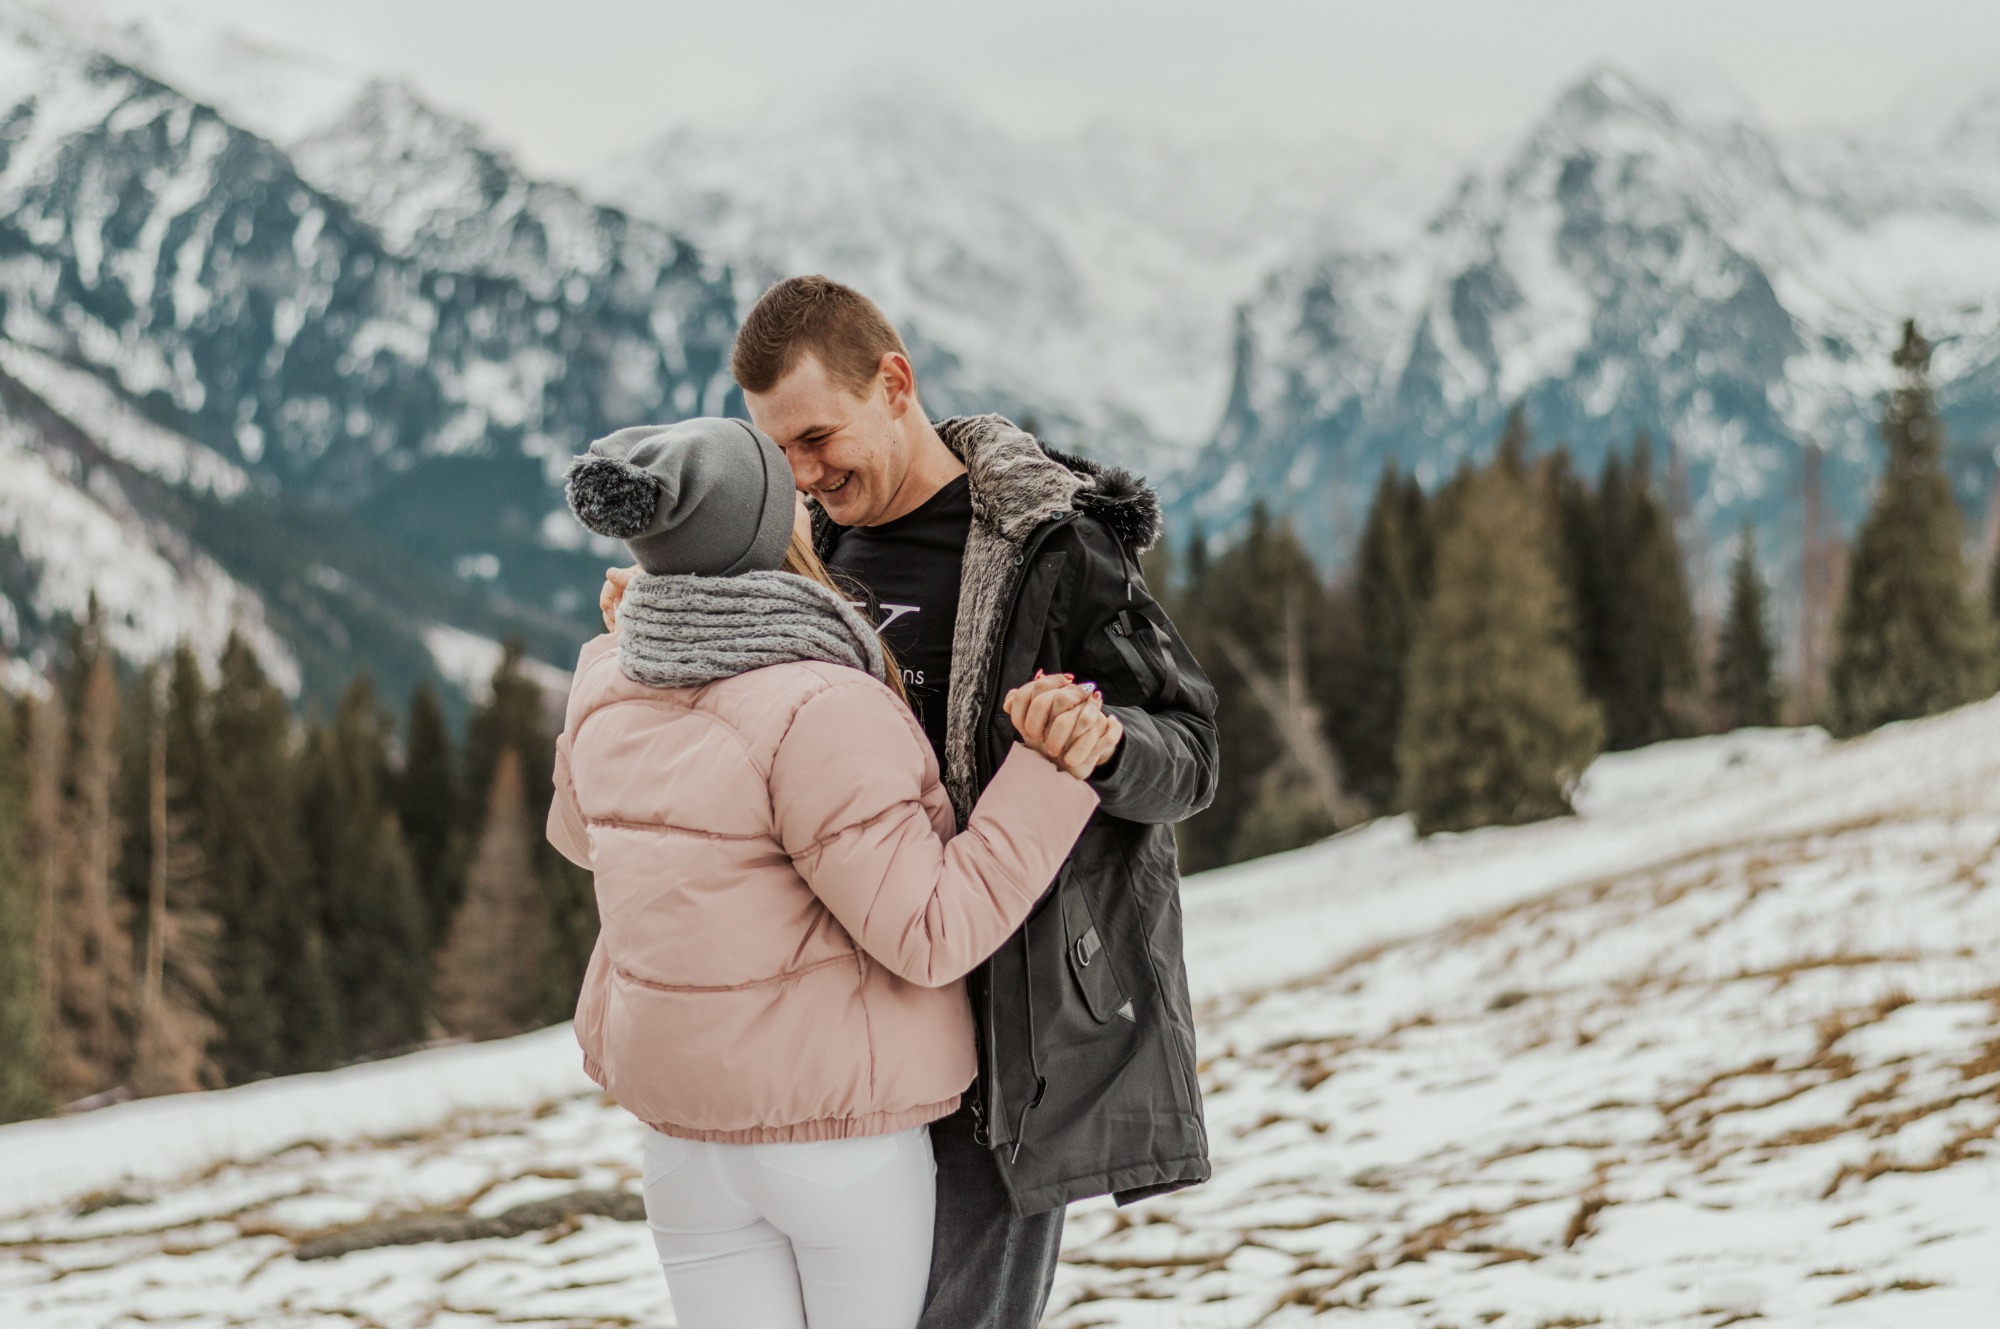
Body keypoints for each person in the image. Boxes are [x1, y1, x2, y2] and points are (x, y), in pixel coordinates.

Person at [601, 277, 1221, 1328]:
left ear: (893, 384)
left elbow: (1192, 750)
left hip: (1004, 1037)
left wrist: (1102, 744)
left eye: (815, 437)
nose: (801, 474)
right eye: (776, 452)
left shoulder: (1053, 547)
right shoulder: (799, 547)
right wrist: (661, 626)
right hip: (836, 1051)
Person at [548, 416, 1120, 1329]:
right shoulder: (821, 702)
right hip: (837, 1144)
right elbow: (933, 932)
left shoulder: (607, 677)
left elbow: (583, 835)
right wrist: (1050, 773)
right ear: (774, 531)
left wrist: (627, 641)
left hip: (683, 1145)